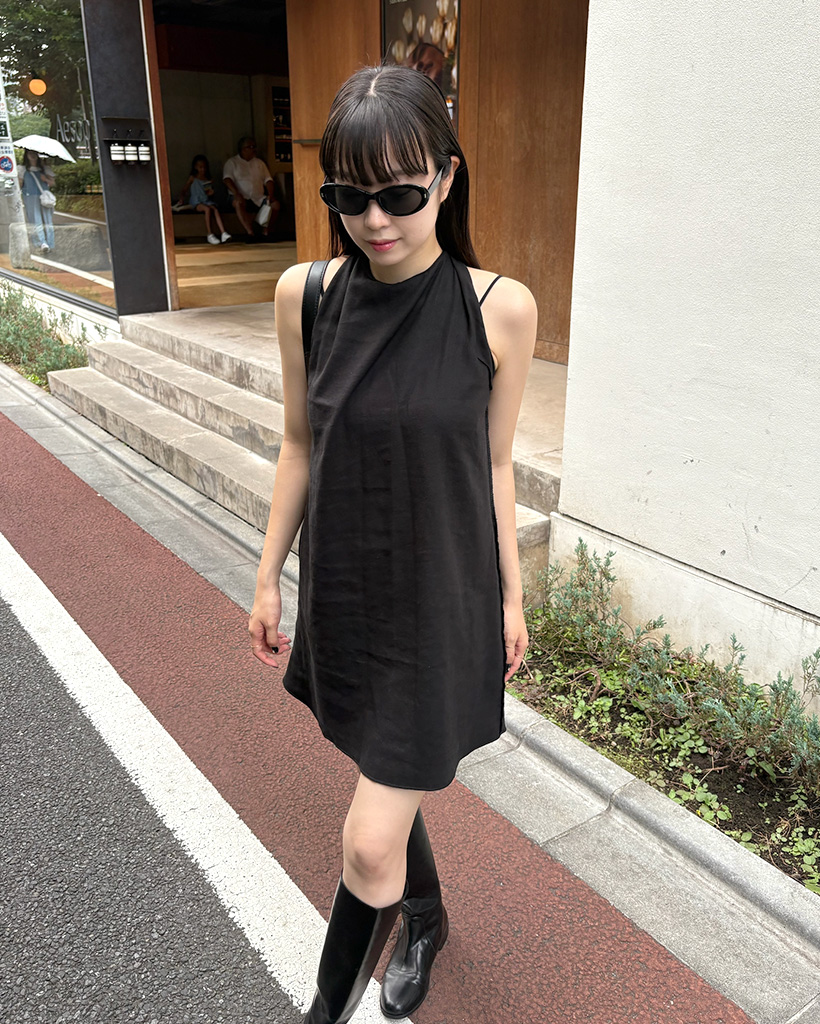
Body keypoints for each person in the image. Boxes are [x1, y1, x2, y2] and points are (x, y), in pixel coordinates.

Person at [248, 64, 536, 1024]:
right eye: (350, 196)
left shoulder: (499, 308)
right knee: (380, 772)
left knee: (369, 841)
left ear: (446, 179)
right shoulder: (306, 294)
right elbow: (299, 443)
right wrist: (267, 579)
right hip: (348, 590)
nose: (375, 221)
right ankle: (426, 914)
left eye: (402, 195)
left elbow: (496, 465)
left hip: (442, 602)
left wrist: (511, 596)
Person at [222, 136, 280, 240]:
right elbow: (227, 179)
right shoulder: (232, 162)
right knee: (238, 203)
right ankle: (250, 233)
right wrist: (236, 193)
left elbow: (268, 180)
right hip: (240, 196)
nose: (253, 149)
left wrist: (271, 195)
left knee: (275, 205)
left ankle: (266, 232)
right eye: (250, 147)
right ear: (243, 149)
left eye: (254, 147)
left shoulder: (259, 163)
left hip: (258, 197)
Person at [179, 154, 231, 245]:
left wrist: (211, 192)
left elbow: (208, 193)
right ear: (195, 167)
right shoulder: (193, 178)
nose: (202, 169)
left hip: (205, 200)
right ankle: (210, 234)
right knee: (207, 209)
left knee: (215, 209)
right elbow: (184, 189)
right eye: (200, 167)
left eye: (204, 167)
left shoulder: (207, 179)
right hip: (196, 201)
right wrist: (181, 198)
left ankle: (223, 232)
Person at [18, 149, 55, 253]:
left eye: (34, 153)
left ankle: (50, 242)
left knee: (47, 220)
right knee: (35, 219)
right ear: (26, 155)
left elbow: (53, 183)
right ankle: (41, 243)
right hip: (30, 197)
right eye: (30, 153)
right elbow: (20, 184)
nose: (32, 155)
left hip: (44, 197)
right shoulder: (22, 169)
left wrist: (45, 179)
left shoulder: (45, 169)